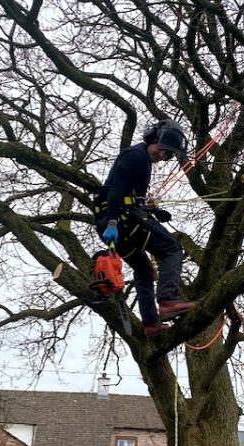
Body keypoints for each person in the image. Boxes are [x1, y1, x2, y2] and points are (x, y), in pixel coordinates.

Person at [94, 119, 195, 337]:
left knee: (144, 270)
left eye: (167, 154)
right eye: (162, 150)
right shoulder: (135, 155)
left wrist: (155, 212)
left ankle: (151, 325)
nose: (162, 156)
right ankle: (167, 301)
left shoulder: (142, 159)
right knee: (172, 249)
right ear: (153, 139)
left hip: (117, 221)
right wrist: (112, 222)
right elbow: (114, 192)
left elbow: (133, 199)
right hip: (121, 219)